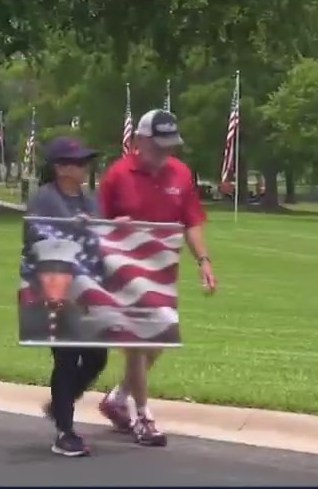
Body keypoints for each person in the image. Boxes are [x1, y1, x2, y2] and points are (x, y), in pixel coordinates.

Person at [95, 110, 216, 447]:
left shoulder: (180, 174)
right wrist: (113, 227)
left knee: (157, 341)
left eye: (171, 145)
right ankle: (143, 416)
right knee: (137, 342)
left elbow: (191, 220)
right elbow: (96, 225)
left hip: (162, 272)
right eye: (159, 145)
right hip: (124, 272)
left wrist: (203, 260)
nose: (166, 152)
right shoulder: (117, 175)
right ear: (140, 141)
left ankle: (118, 398)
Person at [22, 136, 107, 457]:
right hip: (55, 288)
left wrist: (113, 227)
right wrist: (74, 229)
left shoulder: (89, 200)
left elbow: (99, 236)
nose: (85, 167)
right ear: (60, 168)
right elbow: (37, 235)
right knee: (66, 358)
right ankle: (65, 432)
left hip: (86, 290)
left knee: (97, 357)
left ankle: (60, 405)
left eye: (86, 162)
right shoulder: (44, 199)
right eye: (79, 162)